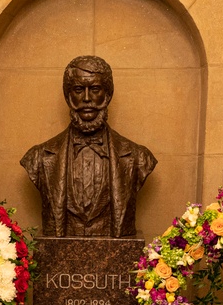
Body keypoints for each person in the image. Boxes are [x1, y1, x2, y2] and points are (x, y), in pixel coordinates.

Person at [21, 55, 156, 238]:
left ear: (107, 95)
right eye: (78, 89)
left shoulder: (138, 157)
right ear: (69, 97)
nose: (86, 98)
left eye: (94, 89)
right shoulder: (39, 157)